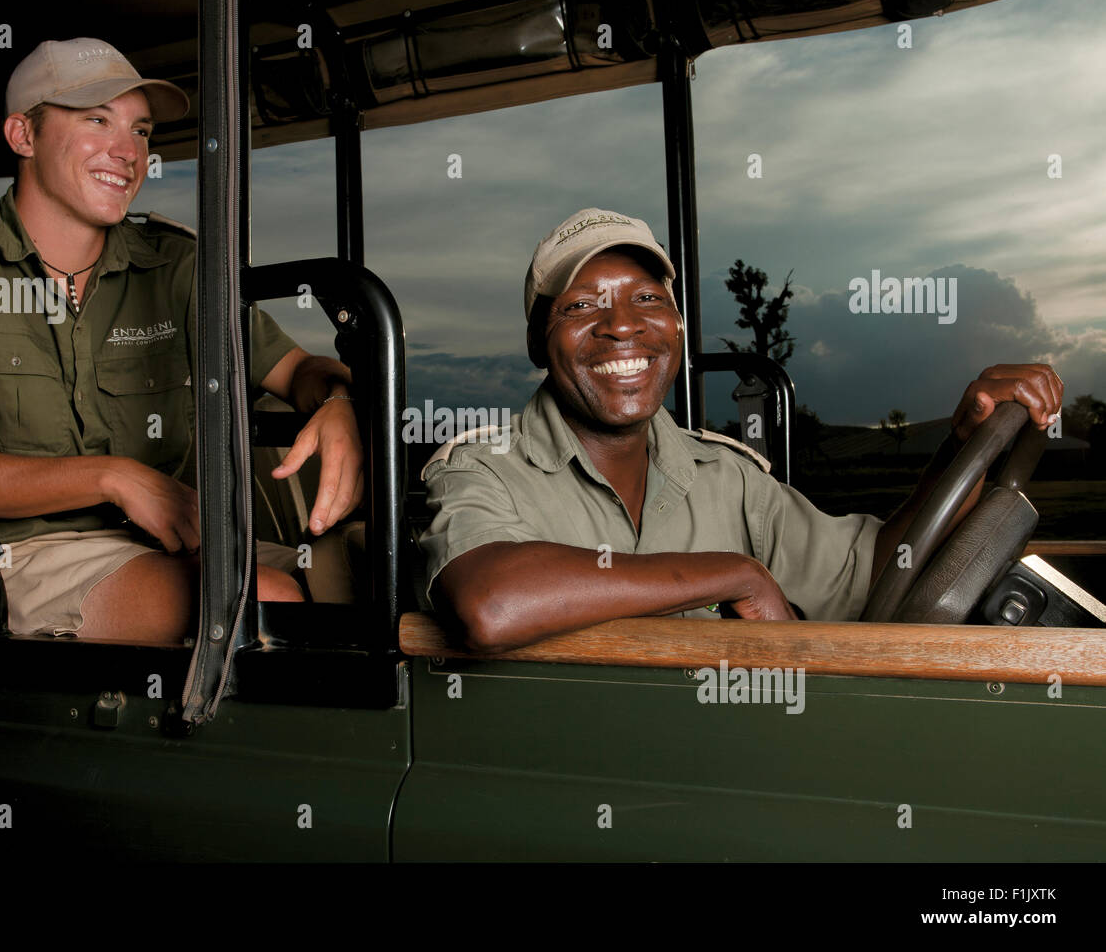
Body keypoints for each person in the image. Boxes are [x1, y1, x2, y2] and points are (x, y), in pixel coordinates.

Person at [0, 38, 363, 642]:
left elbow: (300, 370)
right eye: (97, 120)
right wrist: (114, 476)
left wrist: (337, 403)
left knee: (365, 587)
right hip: (23, 561)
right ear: (23, 136)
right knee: (261, 603)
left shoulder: (177, 265)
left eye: (141, 131)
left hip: (176, 543)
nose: (128, 152)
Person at [420, 207, 1063, 652]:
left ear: (675, 325)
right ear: (539, 339)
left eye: (647, 299)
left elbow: (876, 575)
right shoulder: (483, 468)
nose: (622, 325)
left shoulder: (724, 473)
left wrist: (961, 440)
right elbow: (493, 605)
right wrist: (734, 573)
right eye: (581, 306)